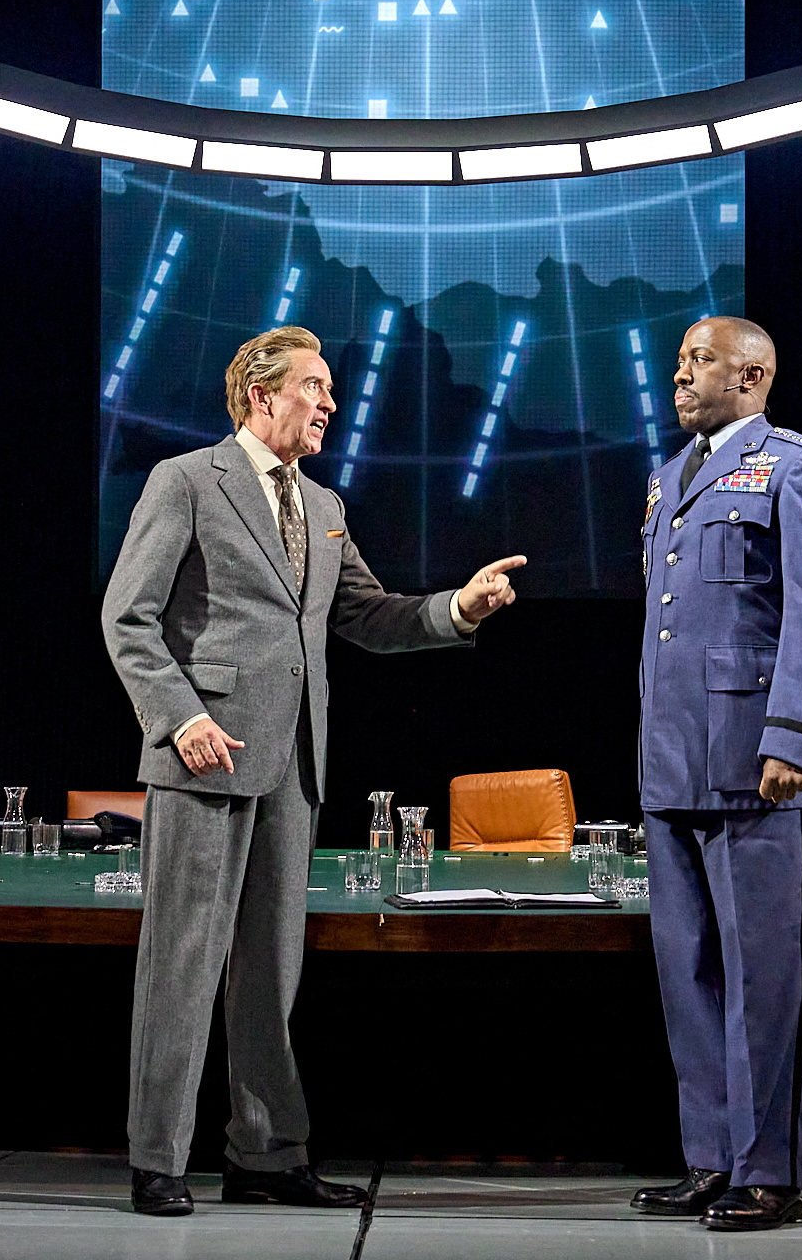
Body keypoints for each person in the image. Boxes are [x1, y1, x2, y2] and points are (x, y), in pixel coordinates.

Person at [101, 325, 522, 1218]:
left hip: (294, 765)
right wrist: (182, 721)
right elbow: (128, 619)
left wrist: (458, 605)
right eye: (315, 387)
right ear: (262, 395)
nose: (331, 403)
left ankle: (265, 1155)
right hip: (204, 758)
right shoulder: (187, 481)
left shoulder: (323, 505)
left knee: (271, 972)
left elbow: (368, 615)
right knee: (182, 962)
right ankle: (158, 1158)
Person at [631, 317, 802, 1233]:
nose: (680, 374)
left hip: (753, 760)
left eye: (700, 360)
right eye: (682, 360)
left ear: (753, 373)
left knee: (763, 973)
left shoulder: (800, 466)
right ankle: (709, 1156)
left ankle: (767, 1169)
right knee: (687, 972)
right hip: (672, 758)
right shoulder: (668, 476)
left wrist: (797, 739)